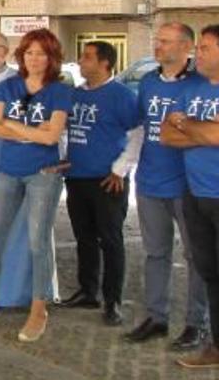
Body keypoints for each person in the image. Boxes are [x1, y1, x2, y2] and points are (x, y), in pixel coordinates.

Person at [0, 29, 71, 343]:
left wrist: (15, 126)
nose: (35, 59)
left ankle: (38, 308)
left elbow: (51, 137)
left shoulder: (59, 91)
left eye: (41, 54)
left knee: (37, 243)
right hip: (9, 171)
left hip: (44, 174)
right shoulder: (10, 86)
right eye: (30, 53)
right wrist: (32, 129)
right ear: (21, 56)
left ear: (52, 58)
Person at [162, 25, 219, 379]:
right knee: (211, 273)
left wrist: (188, 126)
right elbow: (166, 135)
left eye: (206, 48)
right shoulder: (193, 87)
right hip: (196, 193)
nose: (197, 54)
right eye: (197, 48)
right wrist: (200, 128)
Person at [124, 23, 209, 349]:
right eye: (157, 40)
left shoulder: (201, 85)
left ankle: (196, 323)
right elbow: (140, 128)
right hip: (149, 182)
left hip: (189, 185)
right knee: (155, 253)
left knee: (196, 257)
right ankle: (157, 317)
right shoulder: (147, 81)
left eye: (165, 41)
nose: (157, 45)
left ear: (186, 46)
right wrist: (125, 167)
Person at [61, 41, 140, 327]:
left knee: (111, 240)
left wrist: (120, 170)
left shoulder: (121, 95)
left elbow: (137, 134)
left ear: (105, 63)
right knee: (84, 238)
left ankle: (112, 300)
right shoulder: (75, 94)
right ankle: (88, 291)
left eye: (87, 57)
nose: (80, 61)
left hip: (108, 181)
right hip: (77, 177)